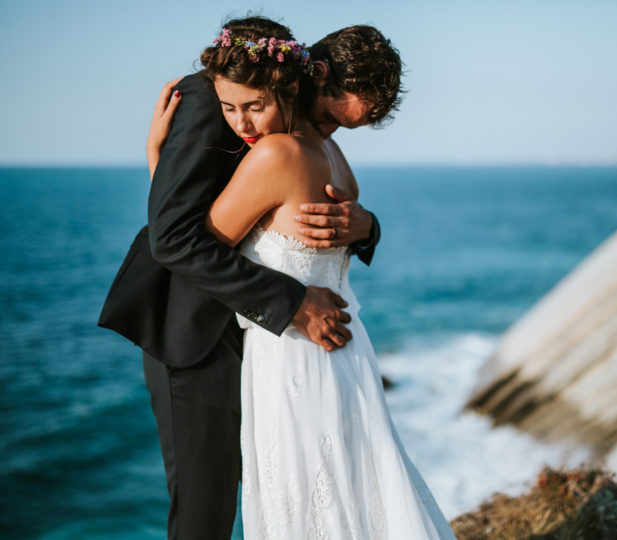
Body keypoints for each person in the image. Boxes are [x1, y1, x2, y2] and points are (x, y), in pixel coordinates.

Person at [98, 18, 402, 539]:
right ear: (319, 75)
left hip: (264, 344)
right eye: (332, 118)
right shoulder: (213, 96)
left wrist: (366, 226)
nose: (329, 135)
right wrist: (293, 303)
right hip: (195, 334)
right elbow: (172, 236)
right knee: (206, 511)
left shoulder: (295, 125)